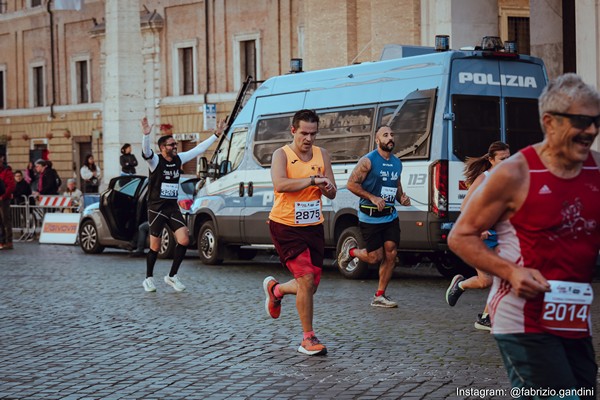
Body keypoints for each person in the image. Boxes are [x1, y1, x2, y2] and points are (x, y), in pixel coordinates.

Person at [448, 73, 600, 397]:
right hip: (522, 318)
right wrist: (510, 271)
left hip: (573, 317)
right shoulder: (515, 173)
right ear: (550, 121)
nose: (590, 130)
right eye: (581, 120)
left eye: (595, 120)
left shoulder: (596, 170)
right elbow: (461, 235)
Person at [262, 109, 337, 356]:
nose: (308, 139)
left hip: (313, 226)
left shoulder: (322, 154)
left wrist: (327, 186)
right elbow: (280, 184)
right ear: (293, 130)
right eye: (304, 133)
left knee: (311, 285)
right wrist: (313, 181)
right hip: (285, 225)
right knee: (305, 278)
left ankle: (277, 290)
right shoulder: (281, 154)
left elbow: (332, 191)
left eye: (313, 134)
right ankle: (308, 338)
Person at [140, 116, 226, 292]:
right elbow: (146, 152)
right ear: (163, 148)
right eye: (171, 145)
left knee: (184, 239)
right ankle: (148, 278)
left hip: (172, 207)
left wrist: (216, 135)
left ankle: (172, 276)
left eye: (175, 144)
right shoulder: (155, 161)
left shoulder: (179, 159)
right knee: (155, 246)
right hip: (156, 208)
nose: (175, 146)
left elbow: (199, 149)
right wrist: (146, 135)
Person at [337, 125, 411, 308]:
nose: (390, 138)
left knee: (391, 252)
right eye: (385, 135)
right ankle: (351, 252)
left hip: (390, 216)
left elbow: (396, 184)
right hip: (370, 217)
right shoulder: (367, 161)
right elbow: (351, 185)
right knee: (374, 257)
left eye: (392, 134)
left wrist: (401, 197)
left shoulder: (397, 162)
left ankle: (380, 295)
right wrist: (372, 197)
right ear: (377, 140)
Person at [445, 141, 510, 331]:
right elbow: (465, 206)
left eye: (509, 158)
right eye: (502, 159)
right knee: (486, 281)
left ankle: (486, 318)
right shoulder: (484, 178)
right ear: (490, 160)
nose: (507, 162)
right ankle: (460, 285)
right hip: (481, 236)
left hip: (500, 235)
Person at [0, 154, 15, 250]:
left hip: (3, 199)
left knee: (5, 220)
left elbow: (11, 186)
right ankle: (2, 240)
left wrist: (3, 196)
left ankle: (8, 241)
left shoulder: (7, 171)